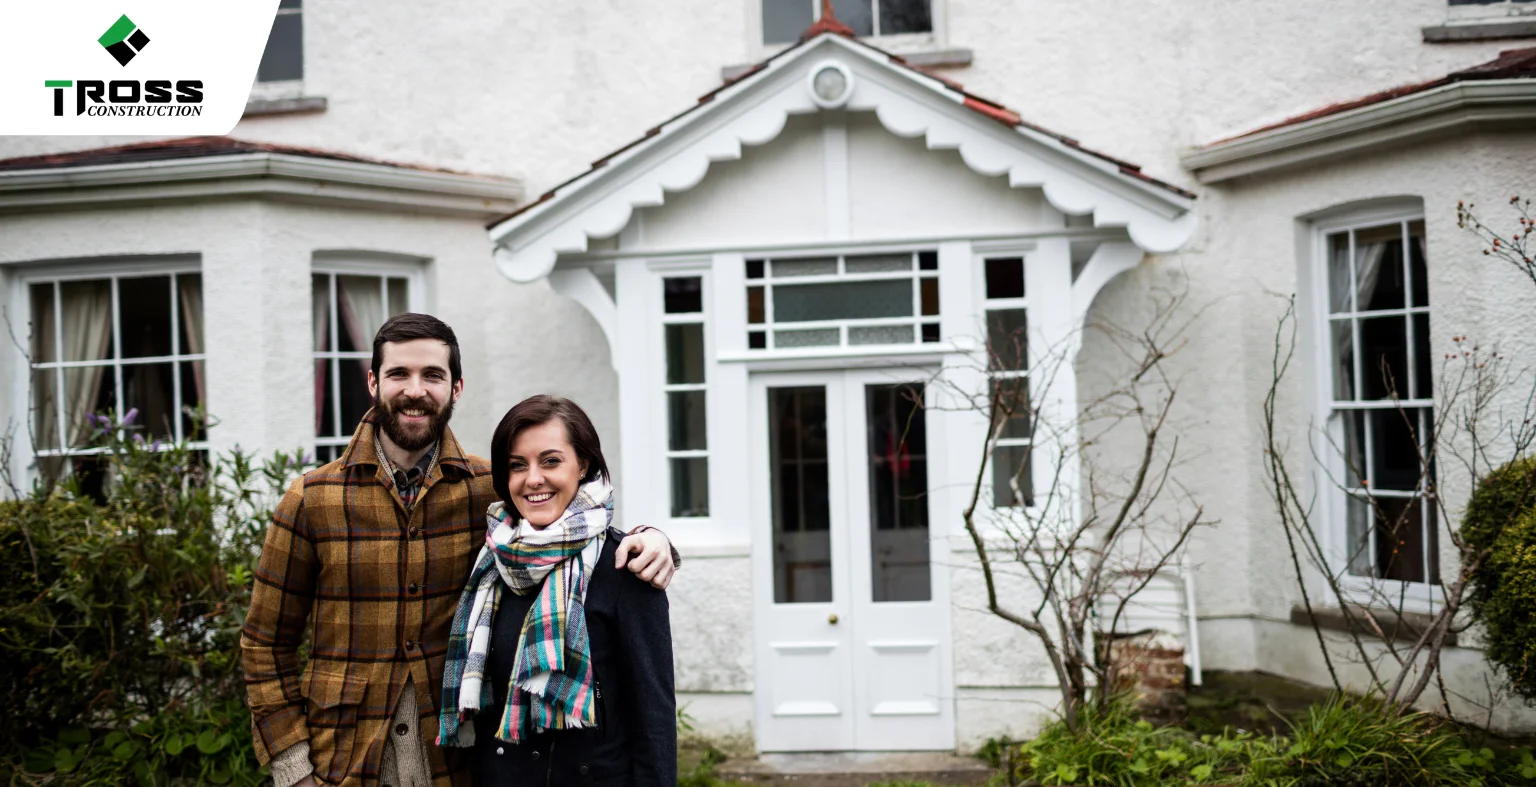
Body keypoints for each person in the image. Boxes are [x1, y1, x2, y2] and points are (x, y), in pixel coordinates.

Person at [241, 314, 678, 787]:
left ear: (456, 388)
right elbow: (266, 643)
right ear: (372, 382)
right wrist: (292, 769)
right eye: (398, 374)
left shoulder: (487, 491)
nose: (415, 389)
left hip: (453, 767)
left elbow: (568, 526)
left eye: (432, 375)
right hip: (341, 763)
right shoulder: (312, 499)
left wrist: (658, 541)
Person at [438, 395, 675, 786]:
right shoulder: (491, 564)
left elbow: (654, 717)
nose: (533, 479)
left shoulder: (626, 566)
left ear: (582, 465)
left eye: (551, 461)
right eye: (518, 465)